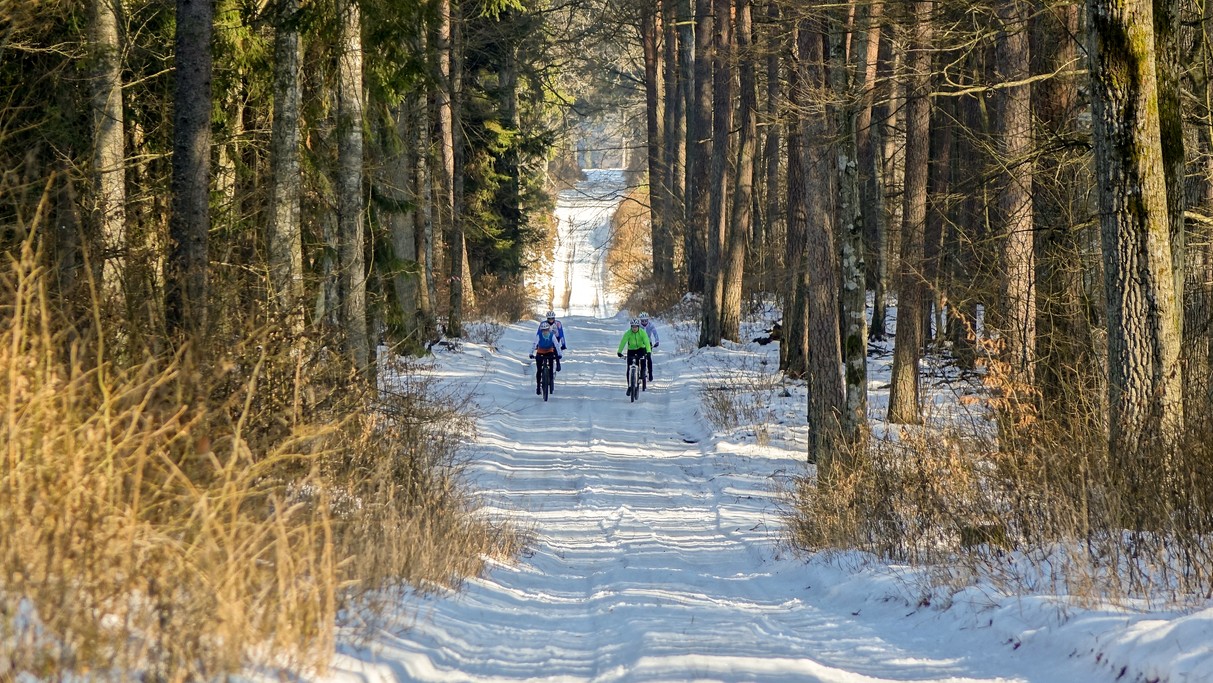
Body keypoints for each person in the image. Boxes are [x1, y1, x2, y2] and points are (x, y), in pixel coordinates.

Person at [616, 318, 652, 396]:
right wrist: (619, 352)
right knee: (629, 368)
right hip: (631, 350)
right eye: (633, 327)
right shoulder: (628, 333)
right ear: (631, 327)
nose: (634, 328)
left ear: (638, 326)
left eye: (636, 327)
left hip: (641, 349)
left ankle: (642, 374)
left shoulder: (642, 333)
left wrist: (648, 351)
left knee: (643, 362)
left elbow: (646, 342)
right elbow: (623, 342)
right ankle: (629, 386)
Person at [530, 321, 561, 394]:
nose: (545, 332)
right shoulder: (539, 336)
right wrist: (531, 353)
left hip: (549, 351)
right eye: (543, 330)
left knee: (550, 367)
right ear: (541, 330)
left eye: (546, 330)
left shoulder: (552, 335)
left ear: (549, 329)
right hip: (540, 352)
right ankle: (538, 386)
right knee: (539, 370)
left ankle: (550, 380)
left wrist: (559, 354)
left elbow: (556, 345)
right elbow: (534, 344)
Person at [637, 311, 659, 382]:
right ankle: (637, 372)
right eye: (642, 321)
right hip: (639, 343)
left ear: (648, 320)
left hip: (648, 343)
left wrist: (657, 341)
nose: (644, 322)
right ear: (640, 320)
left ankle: (650, 373)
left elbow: (655, 333)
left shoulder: (651, 325)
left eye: (646, 320)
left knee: (648, 357)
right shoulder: (638, 325)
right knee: (638, 357)